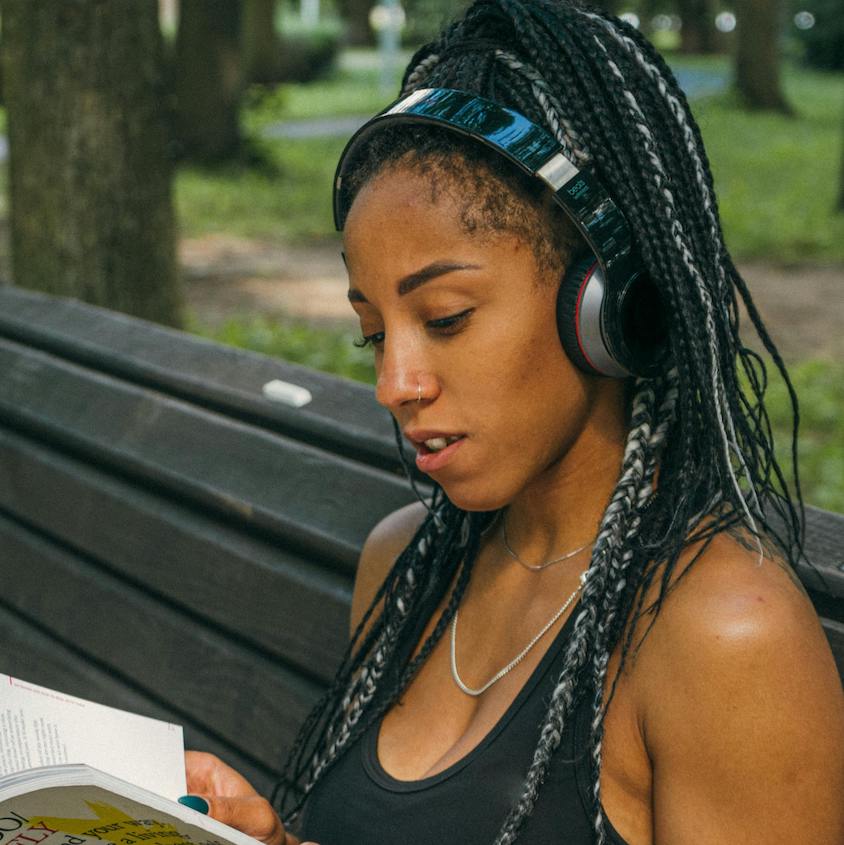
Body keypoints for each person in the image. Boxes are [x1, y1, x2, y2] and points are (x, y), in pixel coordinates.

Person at [183, 0, 844, 842]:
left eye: (447, 317)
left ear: (604, 309)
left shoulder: (722, 635)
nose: (395, 383)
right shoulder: (406, 565)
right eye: (373, 333)